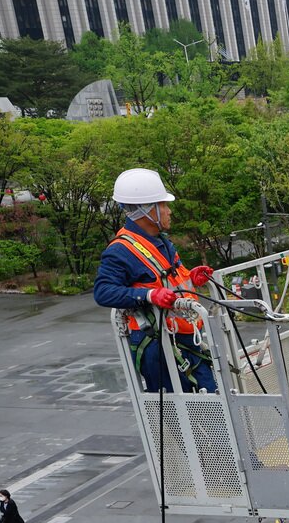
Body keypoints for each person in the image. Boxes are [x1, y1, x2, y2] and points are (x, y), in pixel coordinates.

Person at [93, 168, 218, 393]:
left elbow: (169, 280)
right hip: (157, 344)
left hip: (185, 339)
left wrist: (192, 277)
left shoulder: (160, 242)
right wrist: (148, 296)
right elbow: (103, 291)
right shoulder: (121, 250)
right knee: (183, 415)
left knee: (212, 404)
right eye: (163, 205)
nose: (169, 211)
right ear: (146, 210)